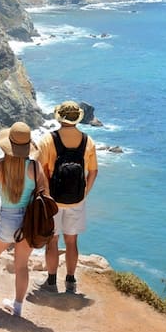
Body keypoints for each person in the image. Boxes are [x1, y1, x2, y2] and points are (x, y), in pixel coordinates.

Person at [0, 121, 48, 317]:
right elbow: (45, 195)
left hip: (6, 219)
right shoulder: (34, 166)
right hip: (29, 223)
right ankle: (17, 307)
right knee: (21, 265)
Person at [36, 101, 99, 294]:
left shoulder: (48, 140)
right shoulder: (88, 141)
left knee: (52, 241)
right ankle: (71, 281)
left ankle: (51, 281)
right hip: (76, 200)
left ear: (59, 117)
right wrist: (84, 193)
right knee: (72, 242)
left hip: (52, 200)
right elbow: (93, 172)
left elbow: (40, 170)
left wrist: (44, 195)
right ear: (77, 118)